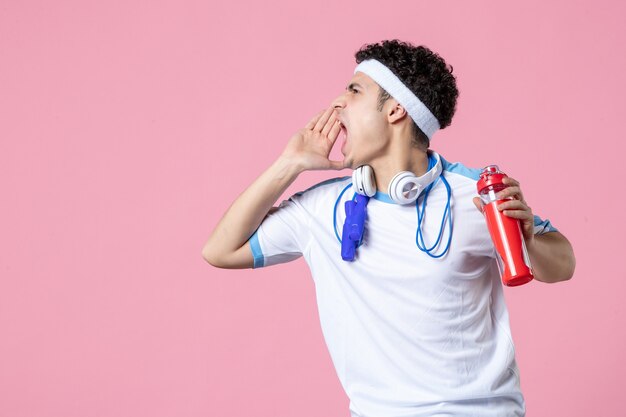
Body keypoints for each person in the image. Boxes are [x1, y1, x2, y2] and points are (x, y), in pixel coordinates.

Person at [202, 39, 575, 417]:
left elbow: (563, 265)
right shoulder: (320, 208)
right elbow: (220, 251)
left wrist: (526, 239)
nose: (337, 103)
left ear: (396, 109)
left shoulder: (475, 195)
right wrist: (289, 164)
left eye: (354, 90)